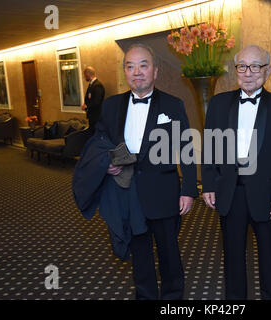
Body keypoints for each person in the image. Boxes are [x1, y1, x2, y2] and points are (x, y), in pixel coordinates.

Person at [74, 43, 198, 300]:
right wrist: (104, 164)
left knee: (169, 256)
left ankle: (172, 301)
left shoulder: (173, 104)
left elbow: (186, 148)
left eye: (143, 65)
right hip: (126, 194)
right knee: (140, 257)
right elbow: (99, 142)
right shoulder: (111, 106)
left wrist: (188, 190)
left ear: (155, 71)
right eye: (130, 66)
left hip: (164, 193)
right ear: (125, 72)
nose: (137, 72)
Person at [201, 45, 271, 300]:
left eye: (255, 66)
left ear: (267, 71)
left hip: (267, 196)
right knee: (232, 258)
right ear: (236, 70)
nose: (248, 72)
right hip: (229, 193)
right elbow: (210, 148)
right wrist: (209, 185)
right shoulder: (218, 104)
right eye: (242, 66)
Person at [81, 66, 105, 134]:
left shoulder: (97, 85)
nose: (84, 77)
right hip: (92, 116)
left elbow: (97, 101)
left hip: (96, 116)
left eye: (85, 75)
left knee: (95, 134)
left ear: (88, 74)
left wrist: (87, 106)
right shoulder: (91, 85)